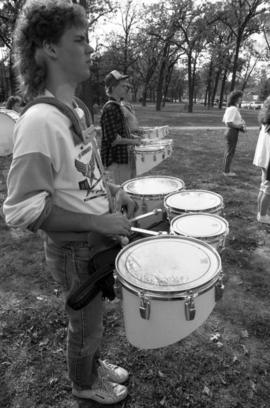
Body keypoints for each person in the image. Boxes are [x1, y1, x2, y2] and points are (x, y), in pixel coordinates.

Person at [3, 0, 136, 404]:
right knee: (85, 324)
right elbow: (22, 209)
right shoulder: (39, 121)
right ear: (49, 48)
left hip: (93, 246)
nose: (91, 49)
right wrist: (99, 224)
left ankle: (91, 364)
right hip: (75, 251)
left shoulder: (75, 109)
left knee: (92, 320)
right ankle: (84, 383)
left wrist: (112, 193)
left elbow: (81, 175)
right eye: (80, 40)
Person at [100, 70, 141, 184]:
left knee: (129, 190)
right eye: (122, 86)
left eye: (126, 86)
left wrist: (131, 137)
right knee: (121, 193)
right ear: (113, 88)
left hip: (124, 158)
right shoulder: (110, 109)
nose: (126, 88)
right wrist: (134, 142)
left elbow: (121, 132)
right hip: (116, 161)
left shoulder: (117, 107)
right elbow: (113, 139)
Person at [253, 96, 270, 224]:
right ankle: (263, 215)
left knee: (263, 186)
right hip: (268, 160)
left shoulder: (265, 121)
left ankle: (260, 213)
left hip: (264, 158)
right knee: (268, 189)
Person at [222, 90, 246, 176]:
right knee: (230, 152)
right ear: (235, 98)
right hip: (232, 132)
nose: (241, 99)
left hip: (230, 131)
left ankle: (226, 170)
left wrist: (240, 122)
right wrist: (239, 126)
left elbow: (225, 120)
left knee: (229, 151)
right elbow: (228, 122)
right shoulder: (233, 109)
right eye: (240, 97)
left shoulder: (230, 108)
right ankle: (226, 172)